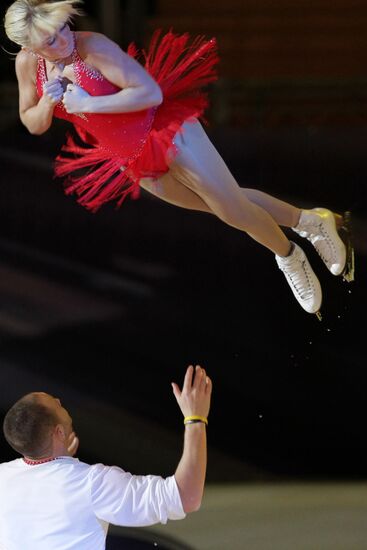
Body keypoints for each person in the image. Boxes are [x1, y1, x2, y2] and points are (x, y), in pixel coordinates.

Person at [3, 0, 354, 318]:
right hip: (132, 158)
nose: (63, 38)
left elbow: (149, 93)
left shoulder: (91, 47)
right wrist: (49, 103)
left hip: (165, 130)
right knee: (225, 203)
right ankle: (311, 221)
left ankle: (289, 254)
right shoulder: (27, 64)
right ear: (28, 46)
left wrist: (88, 104)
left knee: (232, 210)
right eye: (49, 40)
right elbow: (30, 120)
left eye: (63, 27)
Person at [0, 364, 212, 549]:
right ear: (59, 433)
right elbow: (186, 497)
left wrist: (61, 462)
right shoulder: (91, 484)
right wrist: (195, 418)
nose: (58, 399)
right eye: (56, 404)